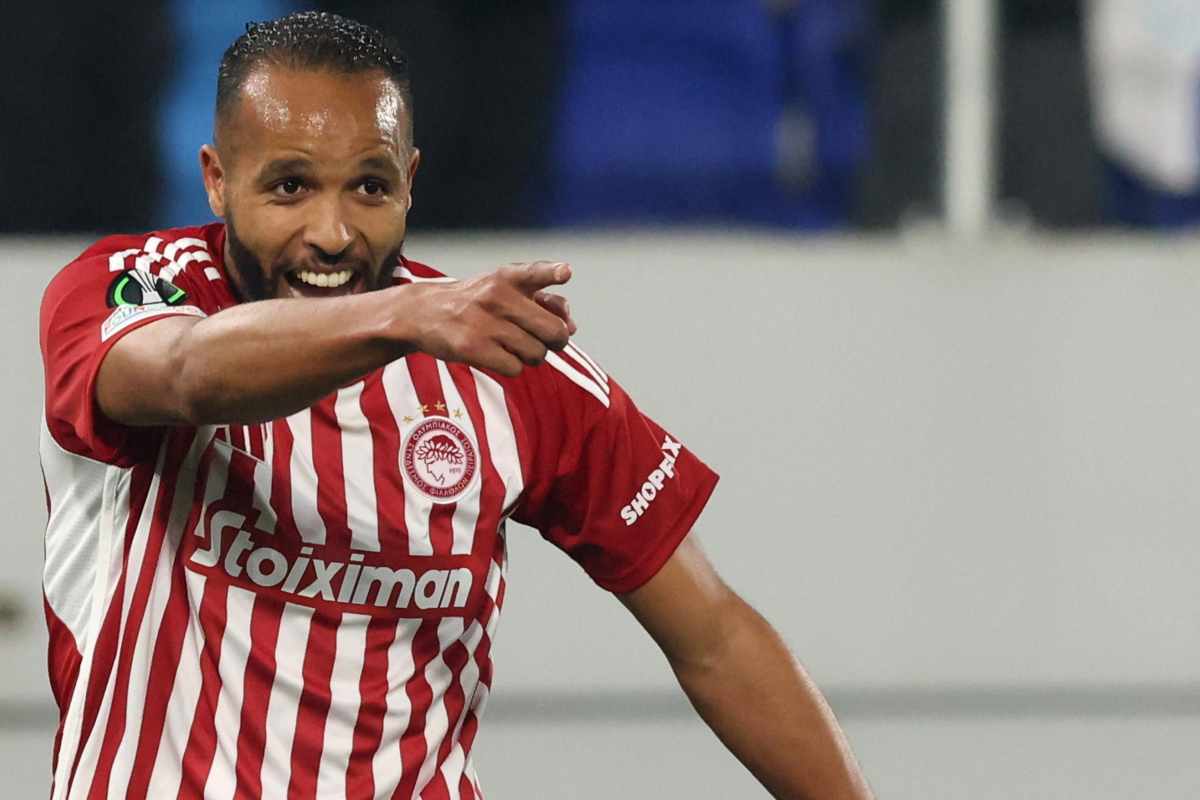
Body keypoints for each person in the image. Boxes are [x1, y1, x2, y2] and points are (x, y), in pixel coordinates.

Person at [38, 12, 872, 799]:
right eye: (289, 187)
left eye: (369, 187)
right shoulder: (130, 288)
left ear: (409, 182)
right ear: (217, 180)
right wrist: (403, 315)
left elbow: (715, 638)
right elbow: (184, 373)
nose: (332, 232)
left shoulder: (501, 356)